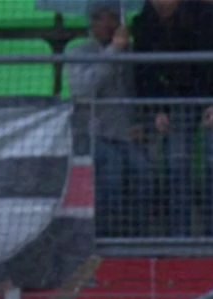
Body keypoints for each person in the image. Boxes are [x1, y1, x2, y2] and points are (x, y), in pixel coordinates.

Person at [132, 0, 213, 237]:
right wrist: (157, 108)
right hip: (174, 103)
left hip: (211, 98)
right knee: (177, 164)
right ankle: (179, 237)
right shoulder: (143, 24)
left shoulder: (208, 16)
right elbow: (143, 72)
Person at [68, 1, 151, 237]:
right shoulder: (80, 53)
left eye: (113, 17)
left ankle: (139, 236)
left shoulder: (132, 54)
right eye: (102, 18)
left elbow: (139, 92)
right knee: (112, 170)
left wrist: (140, 124)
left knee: (143, 171)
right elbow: (84, 88)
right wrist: (113, 51)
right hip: (95, 133)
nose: (108, 24)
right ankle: (106, 236)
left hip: (127, 133)